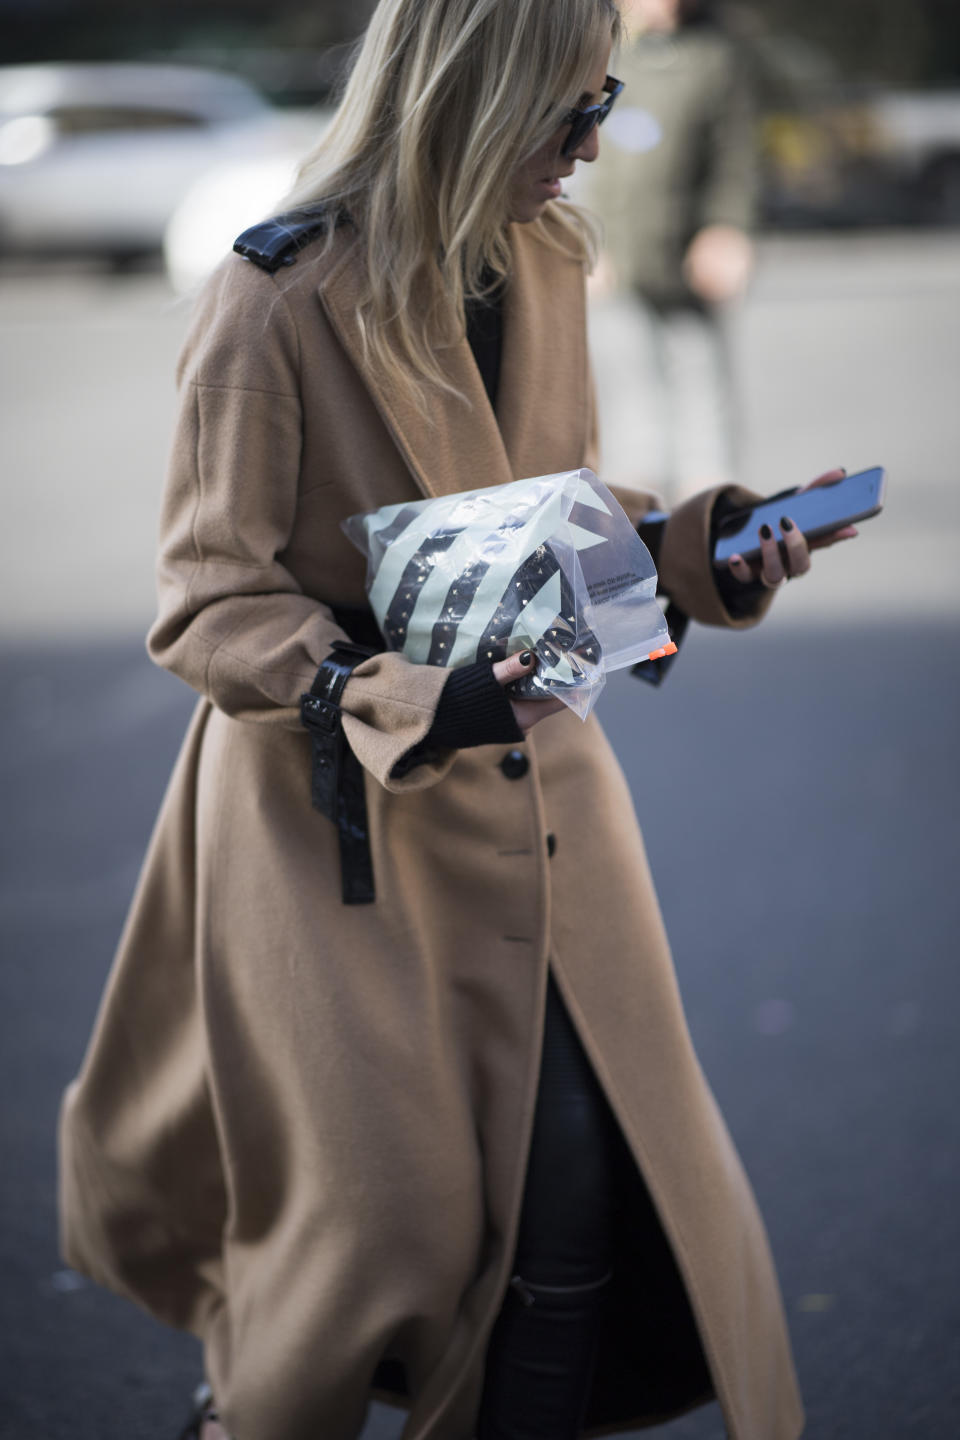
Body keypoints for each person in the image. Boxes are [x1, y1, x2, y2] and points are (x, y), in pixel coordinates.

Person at [58, 3, 854, 1438]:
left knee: (582, 1205)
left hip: (545, 804)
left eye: (603, 104)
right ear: (467, 96)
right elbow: (207, 597)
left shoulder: (546, 257)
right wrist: (402, 695)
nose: (593, 146)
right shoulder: (276, 295)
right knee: (382, 1239)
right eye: (567, 115)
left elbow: (557, 510)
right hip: (334, 833)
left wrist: (703, 552)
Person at [585, 0, 758, 501]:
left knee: (699, 379)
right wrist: (589, 244)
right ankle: (640, 510)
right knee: (628, 389)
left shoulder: (715, 60)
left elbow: (735, 160)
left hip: (684, 258)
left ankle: (712, 505)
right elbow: (586, 162)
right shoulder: (607, 55)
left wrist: (728, 231)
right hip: (615, 259)